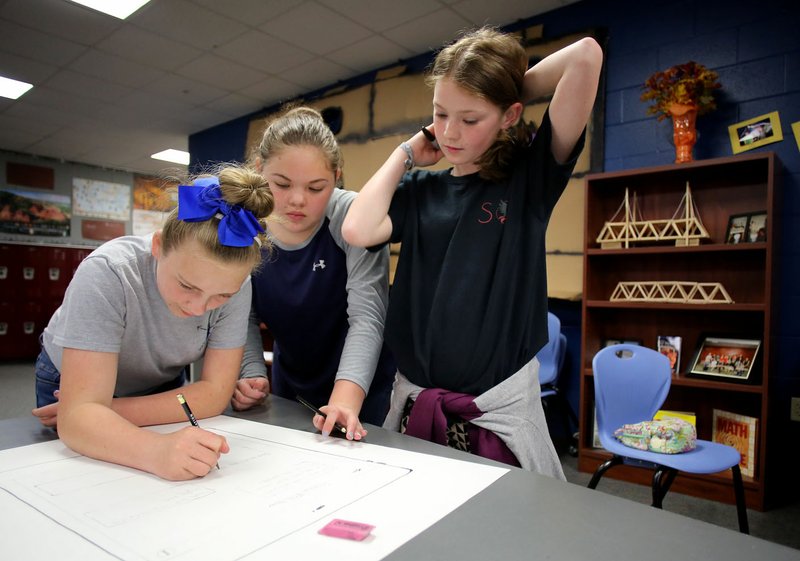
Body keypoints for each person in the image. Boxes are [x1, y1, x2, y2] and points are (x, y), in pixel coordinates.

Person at [342, 27, 602, 477]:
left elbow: (586, 55)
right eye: (440, 114)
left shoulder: (528, 180)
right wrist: (404, 154)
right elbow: (358, 228)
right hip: (416, 404)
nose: (449, 133)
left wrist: (502, 87)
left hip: (495, 418)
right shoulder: (422, 189)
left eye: (470, 118)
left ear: (508, 115)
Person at [31, 164, 274, 480]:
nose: (200, 309)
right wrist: (156, 451)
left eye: (221, 297)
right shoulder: (109, 272)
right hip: (69, 378)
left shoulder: (238, 283)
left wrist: (100, 413)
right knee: (79, 480)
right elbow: (77, 420)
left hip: (160, 383)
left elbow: (214, 393)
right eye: (187, 286)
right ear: (158, 247)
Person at [231, 106, 395, 441]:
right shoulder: (245, 226)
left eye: (316, 188)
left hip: (363, 386)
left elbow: (367, 317)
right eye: (281, 183)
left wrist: (345, 400)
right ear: (260, 170)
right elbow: (240, 311)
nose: (296, 200)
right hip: (293, 381)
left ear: (336, 178)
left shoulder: (352, 216)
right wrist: (250, 372)